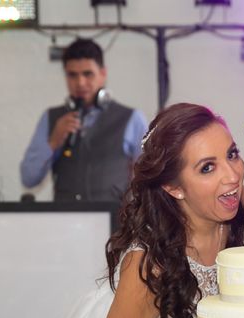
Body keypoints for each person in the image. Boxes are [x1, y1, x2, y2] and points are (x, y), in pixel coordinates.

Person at [0, 103, 244, 318]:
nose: (232, 175)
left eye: (232, 154)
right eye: (207, 168)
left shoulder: (239, 218)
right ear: (173, 187)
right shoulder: (150, 262)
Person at [20, 38, 148, 202]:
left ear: (103, 74)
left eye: (88, 74)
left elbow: (150, 178)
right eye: (72, 75)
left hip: (114, 222)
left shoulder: (132, 118)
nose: (80, 83)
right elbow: (28, 178)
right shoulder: (51, 118)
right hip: (65, 221)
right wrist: (53, 142)